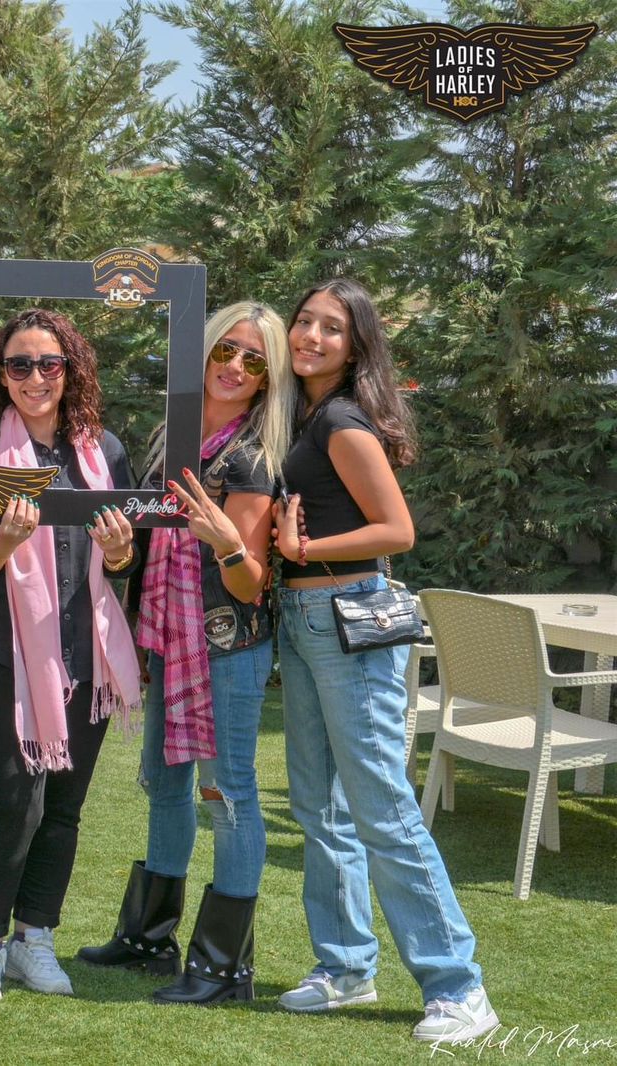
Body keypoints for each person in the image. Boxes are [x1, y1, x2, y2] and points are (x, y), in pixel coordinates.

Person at [272, 278, 497, 1043]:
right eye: (304, 321)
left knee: (382, 809)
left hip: (347, 616)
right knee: (319, 804)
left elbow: (396, 529)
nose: (311, 336)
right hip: (304, 618)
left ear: (355, 345)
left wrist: (304, 548)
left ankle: (459, 986)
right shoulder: (303, 413)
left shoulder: (341, 421)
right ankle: (345, 967)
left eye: (331, 328)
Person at [76, 303, 295, 1006]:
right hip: (168, 638)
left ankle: (223, 969)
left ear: (269, 377)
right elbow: (138, 551)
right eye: (226, 350)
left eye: (255, 360)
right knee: (163, 784)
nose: (235, 366)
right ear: (203, 352)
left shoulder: (252, 458)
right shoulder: (171, 440)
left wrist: (224, 541)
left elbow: (250, 582)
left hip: (227, 648)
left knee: (228, 795)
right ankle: (148, 937)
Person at [0, 307, 141, 1001]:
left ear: (70, 370)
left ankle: (36, 939)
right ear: (1, 375)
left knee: (62, 807)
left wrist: (120, 552)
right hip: (0, 654)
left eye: (48, 363)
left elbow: (124, 560)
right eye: (20, 365)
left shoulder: (104, 452)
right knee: (9, 804)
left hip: (85, 653)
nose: (35, 377)